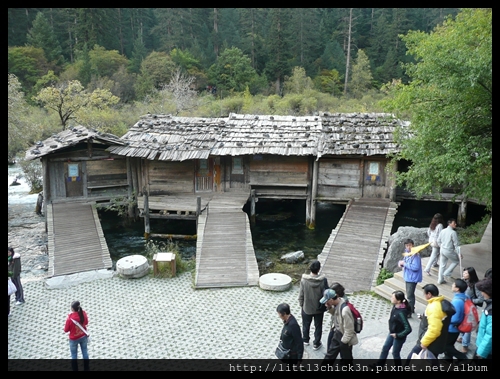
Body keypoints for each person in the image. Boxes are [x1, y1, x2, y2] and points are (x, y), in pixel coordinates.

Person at [405, 284, 450, 366]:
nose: (424, 295)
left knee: (411, 358)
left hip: (428, 341)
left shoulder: (434, 307)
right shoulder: (440, 302)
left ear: (429, 294)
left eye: (424, 294)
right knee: (432, 361)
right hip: (437, 341)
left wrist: (424, 343)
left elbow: (434, 329)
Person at [373, 290, 412, 367]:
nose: (391, 298)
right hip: (392, 332)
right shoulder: (395, 306)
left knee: (395, 353)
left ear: (398, 301)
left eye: (393, 297)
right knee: (385, 348)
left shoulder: (401, 313)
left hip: (398, 336)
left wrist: (398, 335)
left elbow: (408, 329)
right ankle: (379, 365)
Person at [320, 288, 358, 365]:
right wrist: (329, 308)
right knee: (329, 356)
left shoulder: (345, 310)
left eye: (327, 301)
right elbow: (336, 314)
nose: (326, 302)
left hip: (345, 337)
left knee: (346, 361)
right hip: (337, 332)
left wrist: (343, 342)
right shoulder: (338, 304)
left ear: (331, 300)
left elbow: (349, 329)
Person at [298, 260, 328, 350]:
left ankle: (305, 340)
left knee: (305, 325)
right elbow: (326, 294)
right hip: (319, 308)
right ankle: (316, 343)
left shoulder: (304, 280)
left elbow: (301, 295)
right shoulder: (323, 280)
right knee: (318, 326)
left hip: (306, 307)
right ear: (319, 269)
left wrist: (301, 304)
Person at [458, 267, 484, 353]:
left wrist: (470, 301)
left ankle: (465, 345)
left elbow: (480, 299)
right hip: (462, 306)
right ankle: (462, 337)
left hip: (470, 308)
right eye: (464, 273)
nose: (464, 274)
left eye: (466, 273)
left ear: (470, 275)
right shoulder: (464, 282)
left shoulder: (475, 285)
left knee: (467, 325)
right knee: (460, 322)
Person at [443, 279, 469, 362]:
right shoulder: (465, 297)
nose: (452, 285)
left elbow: (455, 318)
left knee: (446, 345)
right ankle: (448, 358)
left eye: (453, 284)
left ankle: (462, 358)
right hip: (458, 327)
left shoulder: (457, 301)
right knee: (449, 344)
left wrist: (444, 320)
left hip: (452, 328)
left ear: (457, 289)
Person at [398, 238, 422, 317]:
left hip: (412, 278)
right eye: (407, 246)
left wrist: (404, 264)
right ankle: (411, 308)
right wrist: (400, 263)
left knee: (409, 296)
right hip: (408, 276)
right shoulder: (407, 253)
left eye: (410, 245)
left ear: (413, 245)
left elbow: (416, 267)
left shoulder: (416, 255)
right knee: (410, 294)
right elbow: (404, 261)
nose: (408, 247)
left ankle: (409, 312)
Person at [64, 300, 90, 371]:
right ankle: (86, 369)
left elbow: (66, 330)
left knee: (74, 355)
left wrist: (68, 319)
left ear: (72, 309)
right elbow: (86, 322)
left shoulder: (70, 319)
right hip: (83, 336)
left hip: (73, 339)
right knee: (85, 352)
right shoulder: (83, 313)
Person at [436, 218, 461, 284]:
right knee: (456, 261)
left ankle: (440, 280)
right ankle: (446, 273)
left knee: (442, 265)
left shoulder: (443, 231)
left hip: (442, 249)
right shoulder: (453, 232)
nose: (455, 224)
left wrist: (441, 246)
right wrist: (459, 253)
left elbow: (438, 241)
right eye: (454, 223)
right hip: (448, 250)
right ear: (450, 224)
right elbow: (456, 244)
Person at [474, 278, 492, 360]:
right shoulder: (489, 304)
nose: (481, 293)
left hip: (485, 350)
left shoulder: (491, 310)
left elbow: (490, 334)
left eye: (482, 291)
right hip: (483, 345)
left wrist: (481, 352)